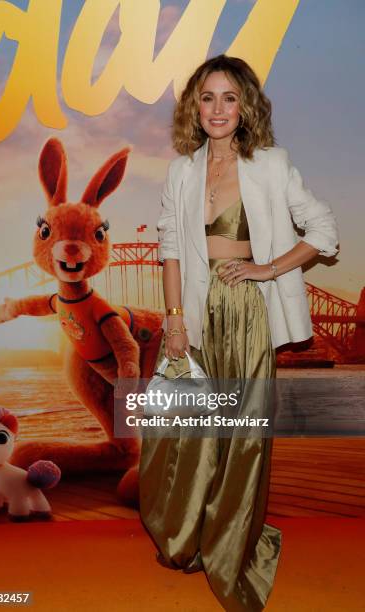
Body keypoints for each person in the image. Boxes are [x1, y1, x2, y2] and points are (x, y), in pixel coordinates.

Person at [139, 55, 338, 611]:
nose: (218, 108)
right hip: (197, 317)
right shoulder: (182, 170)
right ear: (193, 107)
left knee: (243, 437)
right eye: (208, 97)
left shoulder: (272, 164)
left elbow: (323, 229)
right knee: (190, 435)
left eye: (229, 97)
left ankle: (231, 551)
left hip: (248, 313)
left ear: (245, 105)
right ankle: (190, 537)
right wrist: (174, 320)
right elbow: (172, 250)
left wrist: (268, 268)